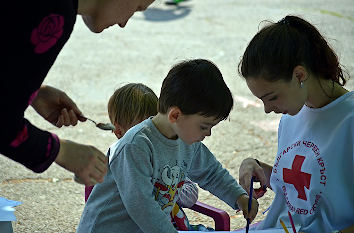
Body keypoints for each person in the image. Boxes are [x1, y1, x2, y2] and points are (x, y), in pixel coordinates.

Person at [77, 59, 259, 233]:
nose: (207, 134)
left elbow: (211, 173)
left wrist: (239, 197)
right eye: (204, 126)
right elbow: (142, 206)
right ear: (175, 116)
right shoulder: (136, 145)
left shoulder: (188, 141)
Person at [1, 0, 156, 186]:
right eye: (137, 8)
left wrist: (34, 93)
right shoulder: (54, 12)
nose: (124, 23)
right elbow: (4, 124)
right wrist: (62, 152)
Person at [237, 15, 353, 233]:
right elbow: (300, 189)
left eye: (271, 97)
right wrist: (257, 167)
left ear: (299, 75)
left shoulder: (349, 120)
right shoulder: (292, 116)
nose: (267, 109)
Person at [84, 83, 201, 230]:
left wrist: (169, 189)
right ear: (119, 131)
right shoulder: (123, 161)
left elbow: (191, 195)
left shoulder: (166, 159)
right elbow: (140, 207)